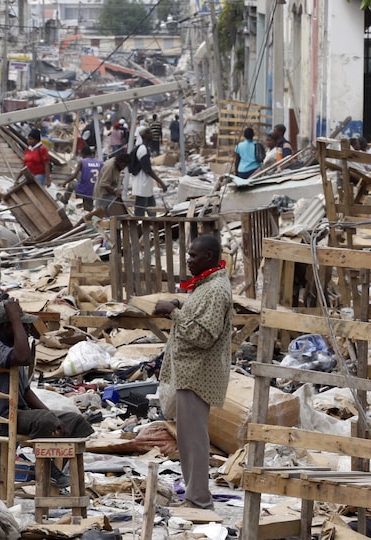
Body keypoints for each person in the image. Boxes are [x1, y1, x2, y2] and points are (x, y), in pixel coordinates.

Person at [0, 299, 94, 489]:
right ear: (7, 326)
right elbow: (22, 357)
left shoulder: (14, 351)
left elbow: (26, 392)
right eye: (22, 325)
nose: (28, 330)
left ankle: (62, 471)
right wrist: (14, 317)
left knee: (75, 421)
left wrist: (54, 417)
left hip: (18, 414)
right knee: (44, 420)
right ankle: (47, 468)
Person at [153, 235, 232, 510]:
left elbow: (203, 336)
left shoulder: (215, 290)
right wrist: (179, 305)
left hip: (198, 375)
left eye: (193, 256)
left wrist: (172, 314)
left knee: (195, 441)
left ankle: (199, 500)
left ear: (209, 256)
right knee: (187, 439)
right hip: (189, 374)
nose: (188, 260)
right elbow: (199, 318)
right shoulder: (206, 285)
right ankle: (193, 495)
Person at [131, 127, 168, 216]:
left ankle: (153, 226)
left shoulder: (145, 148)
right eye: (151, 133)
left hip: (146, 185)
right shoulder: (143, 149)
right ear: (146, 135)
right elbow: (147, 170)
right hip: (142, 184)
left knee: (152, 208)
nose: (153, 135)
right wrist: (161, 182)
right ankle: (138, 227)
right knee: (140, 210)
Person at [63, 145, 102, 210]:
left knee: (71, 184)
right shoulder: (100, 163)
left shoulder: (82, 162)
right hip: (95, 190)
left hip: (84, 190)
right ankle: (92, 217)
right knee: (88, 209)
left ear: (83, 153)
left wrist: (65, 183)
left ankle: (64, 200)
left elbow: (74, 175)